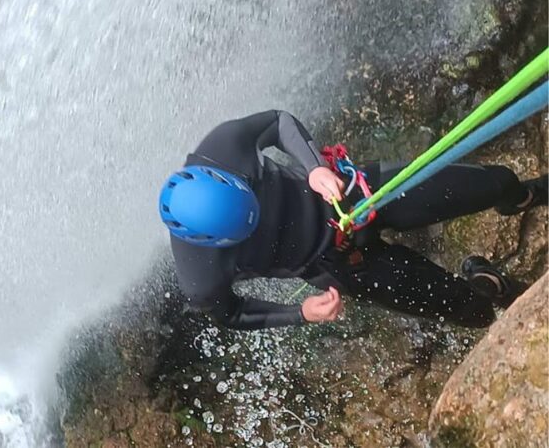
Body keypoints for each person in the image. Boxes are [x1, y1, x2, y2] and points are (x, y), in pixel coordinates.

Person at [158, 110, 547, 329]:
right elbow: (231, 313)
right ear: (213, 243)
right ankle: (495, 287)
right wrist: (301, 313)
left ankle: (520, 197)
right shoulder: (202, 275)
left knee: (497, 182)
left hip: (359, 192)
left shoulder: (224, 147)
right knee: (473, 313)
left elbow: (278, 123)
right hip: (340, 264)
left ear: (229, 179)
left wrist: (313, 168)